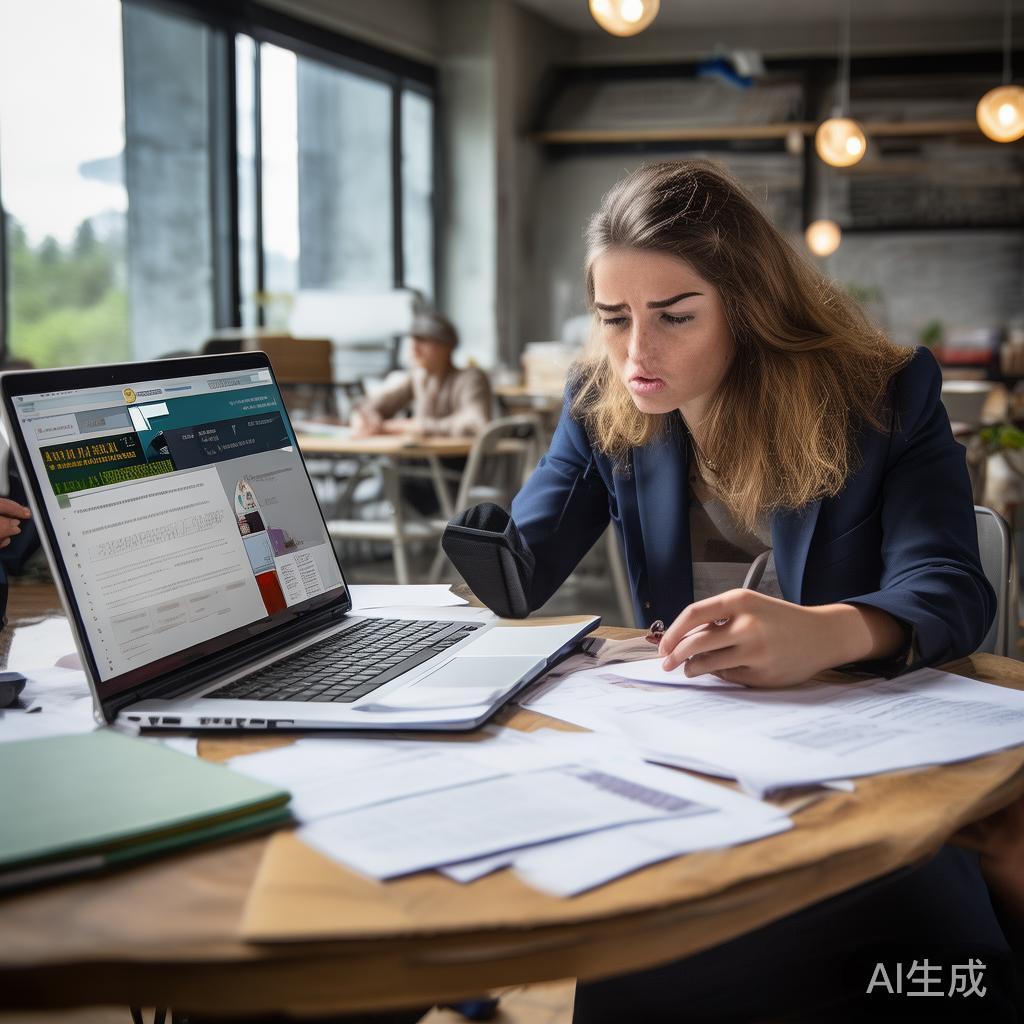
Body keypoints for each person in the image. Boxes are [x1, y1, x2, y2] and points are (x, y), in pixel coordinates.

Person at [448, 160, 1015, 1019]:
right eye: (613, 318)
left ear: (746, 304)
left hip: (867, 780)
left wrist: (826, 633)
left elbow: (949, 589)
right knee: (636, 966)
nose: (637, 353)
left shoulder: (884, 393)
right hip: (694, 775)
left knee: (918, 967)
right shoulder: (604, 399)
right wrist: (475, 557)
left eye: (674, 316)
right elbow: (520, 571)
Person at [351, 309, 492, 440]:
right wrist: (366, 418)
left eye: (423, 340)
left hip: (457, 457)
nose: (414, 348)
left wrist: (413, 426)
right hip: (423, 457)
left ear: (447, 346)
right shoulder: (419, 378)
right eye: (413, 340)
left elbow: (475, 423)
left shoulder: (471, 378)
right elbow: (372, 405)